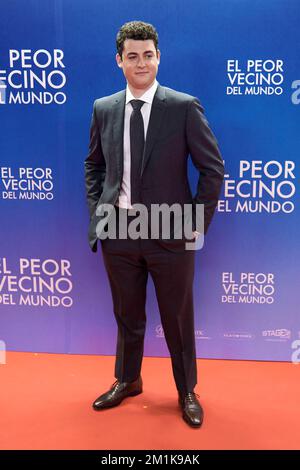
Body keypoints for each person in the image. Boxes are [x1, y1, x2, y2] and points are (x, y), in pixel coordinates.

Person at [84, 21, 224, 428]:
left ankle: (186, 391)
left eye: (148, 54)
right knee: (127, 315)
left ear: (158, 57)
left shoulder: (183, 106)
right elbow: (93, 166)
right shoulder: (103, 108)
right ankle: (127, 380)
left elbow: (212, 169)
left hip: (171, 232)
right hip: (119, 232)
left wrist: (197, 222)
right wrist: (99, 214)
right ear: (119, 61)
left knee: (178, 318)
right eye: (132, 56)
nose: (141, 62)